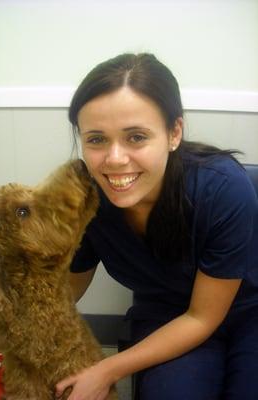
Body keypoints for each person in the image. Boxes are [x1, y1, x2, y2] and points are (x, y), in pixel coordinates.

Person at [55, 53, 258, 400]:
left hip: (248, 312)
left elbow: (202, 318)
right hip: (166, 314)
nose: (115, 159)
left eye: (136, 137)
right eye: (96, 139)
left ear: (173, 132)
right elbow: (66, 291)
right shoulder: (83, 199)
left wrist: (106, 370)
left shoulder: (223, 188)